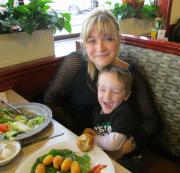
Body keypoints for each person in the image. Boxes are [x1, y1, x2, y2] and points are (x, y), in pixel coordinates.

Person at [43, 8, 160, 160]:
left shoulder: (130, 75)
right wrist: (78, 132)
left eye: (108, 39)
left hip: (116, 153)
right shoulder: (75, 63)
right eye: (92, 40)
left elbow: (152, 121)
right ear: (84, 44)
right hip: (77, 145)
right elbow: (50, 100)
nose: (100, 48)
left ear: (118, 39)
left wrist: (125, 148)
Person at [83, 65, 137, 160]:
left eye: (115, 92)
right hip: (103, 155)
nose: (107, 97)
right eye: (102, 90)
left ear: (126, 95)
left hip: (125, 159)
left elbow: (113, 145)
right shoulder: (96, 111)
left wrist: (92, 137)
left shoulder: (124, 112)